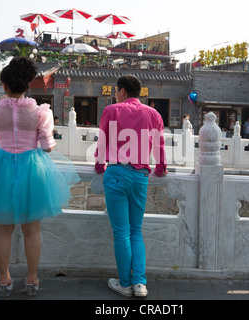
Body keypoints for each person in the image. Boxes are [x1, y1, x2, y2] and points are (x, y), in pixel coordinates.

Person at [0, 57, 80, 298]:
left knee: (3, 230)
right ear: (27, 85)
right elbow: (48, 147)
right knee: (32, 230)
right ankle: (31, 279)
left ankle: (5, 280)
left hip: (2, 166)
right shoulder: (40, 112)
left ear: (5, 86)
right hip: (32, 168)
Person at [94, 75, 167, 298]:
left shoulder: (112, 110)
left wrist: (99, 165)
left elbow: (103, 141)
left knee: (121, 234)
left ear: (123, 91)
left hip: (117, 174)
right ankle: (140, 284)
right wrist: (161, 168)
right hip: (141, 177)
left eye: (117, 91)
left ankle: (124, 283)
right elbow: (159, 145)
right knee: (136, 231)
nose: (116, 94)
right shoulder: (153, 114)